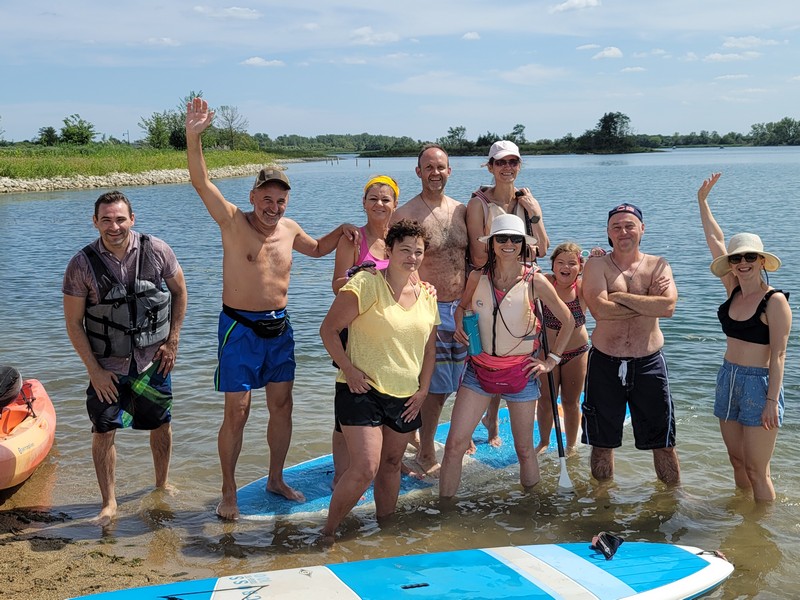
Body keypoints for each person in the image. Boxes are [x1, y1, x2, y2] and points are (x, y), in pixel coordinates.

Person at [185, 97, 359, 520]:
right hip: (239, 329)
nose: (273, 208)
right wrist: (194, 137)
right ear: (253, 196)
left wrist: (342, 230)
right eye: (267, 199)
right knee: (238, 411)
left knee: (283, 406)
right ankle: (228, 491)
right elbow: (201, 182)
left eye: (280, 201)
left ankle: (276, 479)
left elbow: (317, 249)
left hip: (279, 328)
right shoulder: (232, 221)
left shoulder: (289, 229)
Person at [63, 191, 187, 527]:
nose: (114, 226)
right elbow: (73, 323)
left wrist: (172, 341)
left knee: (161, 424)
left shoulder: (157, 250)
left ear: (132, 219)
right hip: (107, 368)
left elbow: (179, 292)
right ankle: (109, 503)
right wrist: (94, 371)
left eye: (120, 219)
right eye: (106, 220)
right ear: (95, 222)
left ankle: (161, 485)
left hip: (153, 361)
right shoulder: (80, 264)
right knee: (103, 430)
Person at [319, 220, 439, 542]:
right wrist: (349, 369)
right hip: (361, 388)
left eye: (418, 251)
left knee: (392, 462)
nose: (412, 257)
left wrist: (424, 390)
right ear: (388, 251)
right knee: (365, 467)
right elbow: (328, 330)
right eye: (405, 250)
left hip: (406, 395)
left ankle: (386, 532)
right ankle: (328, 532)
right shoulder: (366, 283)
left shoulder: (428, 296)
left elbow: (430, 350)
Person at [439, 214, 573, 498]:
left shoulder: (536, 281)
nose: (508, 243)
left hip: (521, 375)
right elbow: (461, 307)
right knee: (453, 447)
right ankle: (444, 511)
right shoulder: (477, 276)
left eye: (515, 239)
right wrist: (460, 325)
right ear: (492, 243)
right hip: (478, 372)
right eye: (501, 238)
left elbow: (568, 321)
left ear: (523, 243)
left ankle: (531, 509)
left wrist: (552, 360)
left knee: (524, 450)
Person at [697, 172, 791, 501]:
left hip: (759, 384)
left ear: (761, 261)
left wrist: (771, 402)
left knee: (757, 469)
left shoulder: (775, 301)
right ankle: (742, 517)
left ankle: (762, 528)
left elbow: (779, 355)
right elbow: (715, 239)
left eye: (750, 257)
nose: (743, 263)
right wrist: (702, 202)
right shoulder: (732, 289)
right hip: (728, 378)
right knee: (736, 461)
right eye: (737, 258)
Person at [581, 202, 680, 485]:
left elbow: (668, 307)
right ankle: (602, 500)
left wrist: (619, 297)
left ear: (642, 229)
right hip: (605, 362)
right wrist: (649, 302)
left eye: (629, 226)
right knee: (602, 443)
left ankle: (672, 500)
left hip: (649, 363)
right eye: (616, 227)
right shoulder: (596, 264)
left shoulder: (657, 264)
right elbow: (600, 310)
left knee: (663, 442)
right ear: (608, 232)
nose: (623, 232)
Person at [391, 144, 469, 476]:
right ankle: (425, 452)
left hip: (463, 307)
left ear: (449, 171)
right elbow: (393, 260)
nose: (435, 173)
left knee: (464, 380)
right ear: (418, 172)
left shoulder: (462, 210)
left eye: (440, 167)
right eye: (428, 167)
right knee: (432, 386)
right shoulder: (406, 213)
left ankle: (455, 436)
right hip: (428, 307)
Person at [466, 140, 550, 446]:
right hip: (490, 284)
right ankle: (488, 423)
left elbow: (543, 248)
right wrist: (518, 252)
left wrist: (535, 215)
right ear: (490, 167)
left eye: (513, 162)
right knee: (489, 352)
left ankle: (499, 419)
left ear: (519, 165)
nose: (507, 168)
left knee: (519, 349)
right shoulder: (479, 204)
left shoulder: (527, 200)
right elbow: (479, 255)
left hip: (524, 285)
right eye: (500, 162)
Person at [330, 175, 398, 485]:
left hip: (389, 333)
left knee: (386, 397)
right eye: (373, 199)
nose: (379, 204)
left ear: (394, 204)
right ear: (364, 203)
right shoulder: (352, 239)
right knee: (348, 403)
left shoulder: (398, 240)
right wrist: (359, 274)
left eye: (385, 199)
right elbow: (336, 285)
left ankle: (383, 461)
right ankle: (341, 473)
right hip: (355, 333)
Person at [535, 242, 589, 454]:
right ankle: (544, 442)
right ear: (553, 265)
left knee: (570, 402)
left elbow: (605, 277)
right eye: (560, 262)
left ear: (580, 267)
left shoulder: (583, 287)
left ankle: (571, 445)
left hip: (576, 353)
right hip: (546, 351)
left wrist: (597, 258)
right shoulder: (546, 282)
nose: (566, 267)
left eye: (572, 263)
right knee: (545, 400)